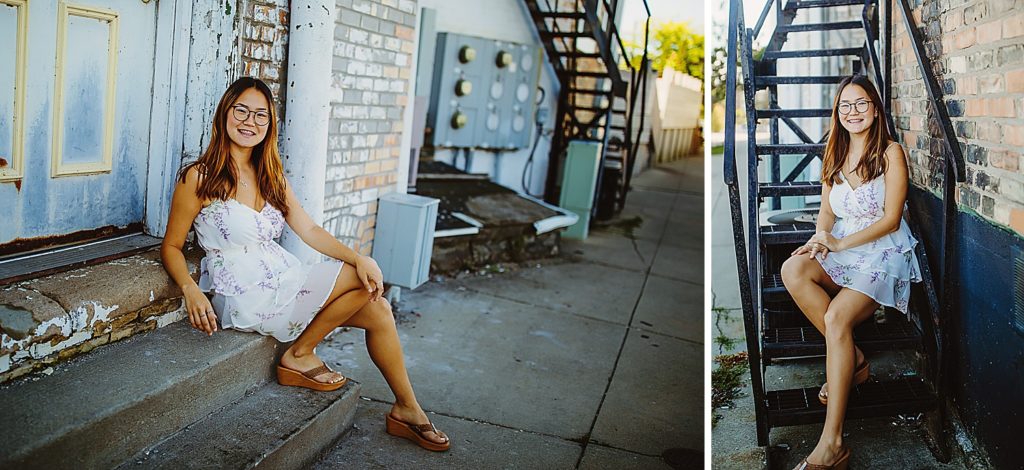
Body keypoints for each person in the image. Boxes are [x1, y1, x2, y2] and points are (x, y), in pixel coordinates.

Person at [159, 77, 450, 452]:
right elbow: (170, 246)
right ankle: (299, 354)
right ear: (224, 114)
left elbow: (309, 229)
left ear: (270, 125)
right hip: (246, 292)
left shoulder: (270, 176)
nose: (250, 122)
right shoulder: (198, 177)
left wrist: (358, 256)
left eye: (261, 115)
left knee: (377, 308)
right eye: (241, 111)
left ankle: (407, 408)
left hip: (283, 276)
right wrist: (190, 289)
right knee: (361, 283)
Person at [780, 75, 922, 469]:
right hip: (841, 245)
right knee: (793, 269)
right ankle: (855, 360)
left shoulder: (890, 153)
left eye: (861, 104)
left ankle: (832, 443)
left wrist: (841, 243)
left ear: (875, 109)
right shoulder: (834, 154)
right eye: (845, 105)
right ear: (837, 113)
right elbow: (827, 213)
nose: (853, 112)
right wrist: (820, 238)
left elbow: (892, 219)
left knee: (836, 316)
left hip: (881, 252)